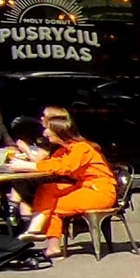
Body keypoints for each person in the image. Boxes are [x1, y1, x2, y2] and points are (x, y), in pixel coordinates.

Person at [15, 108, 118, 258]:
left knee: (53, 206)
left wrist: (31, 166)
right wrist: (27, 163)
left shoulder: (82, 148)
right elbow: (53, 163)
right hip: (83, 187)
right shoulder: (64, 150)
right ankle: (37, 230)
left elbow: (65, 167)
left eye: (48, 130)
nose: (44, 134)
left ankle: (46, 239)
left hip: (99, 191)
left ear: (59, 133)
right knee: (47, 189)